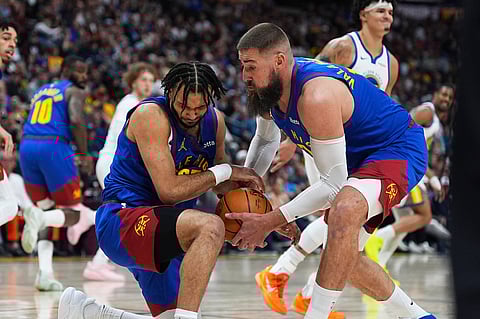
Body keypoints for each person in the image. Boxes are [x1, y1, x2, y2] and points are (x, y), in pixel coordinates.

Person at [231, 22, 436, 319]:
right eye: (242, 66)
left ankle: (311, 308)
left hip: (396, 148)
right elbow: (264, 139)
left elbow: (333, 185)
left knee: (343, 211)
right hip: (355, 158)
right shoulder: (269, 88)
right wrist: (247, 190)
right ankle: (420, 317)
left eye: (250, 67)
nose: (244, 76)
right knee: (344, 255)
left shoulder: (316, 95)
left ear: (278, 60)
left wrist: (272, 219)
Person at [58, 62, 264, 319]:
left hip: (168, 232)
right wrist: (228, 170)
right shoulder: (151, 116)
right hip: (124, 220)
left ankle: (90, 312)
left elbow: (220, 184)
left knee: (171, 314)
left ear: (210, 99)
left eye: (199, 107)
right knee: (211, 227)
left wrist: (270, 219)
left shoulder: (215, 122)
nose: (190, 114)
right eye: (183, 106)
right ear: (169, 94)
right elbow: (169, 190)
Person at [250, 0, 401, 314]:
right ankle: (281, 273)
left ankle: (306, 292)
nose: (387, 16)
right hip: (321, 139)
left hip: (357, 147)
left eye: (390, 11)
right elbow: (298, 88)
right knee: (337, 215)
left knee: (353, 231)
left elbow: (378, 105)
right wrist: (292, 138)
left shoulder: (392, 63)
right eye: (380, 10)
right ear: (363, 15)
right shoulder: (344, 47)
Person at [19, 55, 98, 291]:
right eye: (80, 71)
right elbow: (75, 119)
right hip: (53, 147)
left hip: (27, 146)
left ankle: (44, 273)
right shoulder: (73, 90)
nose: (84, 77)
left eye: (86, 72)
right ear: (66, 71)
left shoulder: (41, 90)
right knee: (74, 213)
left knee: (44, 209)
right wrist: (84, 154)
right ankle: (41, 218)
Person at [73, 62, 157, 282]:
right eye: (143, 80)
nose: (147, 84)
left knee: (126, 213)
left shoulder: (141, 104)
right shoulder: (128, 104)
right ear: (133, 82)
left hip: (119, 164)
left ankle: (91, 228)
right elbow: (126, 138)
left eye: (150, 80)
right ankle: (95, 262)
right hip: (113, 163)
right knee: (126, 214)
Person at [366, 84, 455, 268]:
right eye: (443, 94)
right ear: (435, 94)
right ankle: (375, 238)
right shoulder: (427, 112)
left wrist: (433, 177)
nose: (446, 99)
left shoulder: (436, 119)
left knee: (404, 225)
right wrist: (429, 176)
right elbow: (402, 127)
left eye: (449, 97)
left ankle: (379, 265)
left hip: (410, 165)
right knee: (424, 216)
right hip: (405, 166)